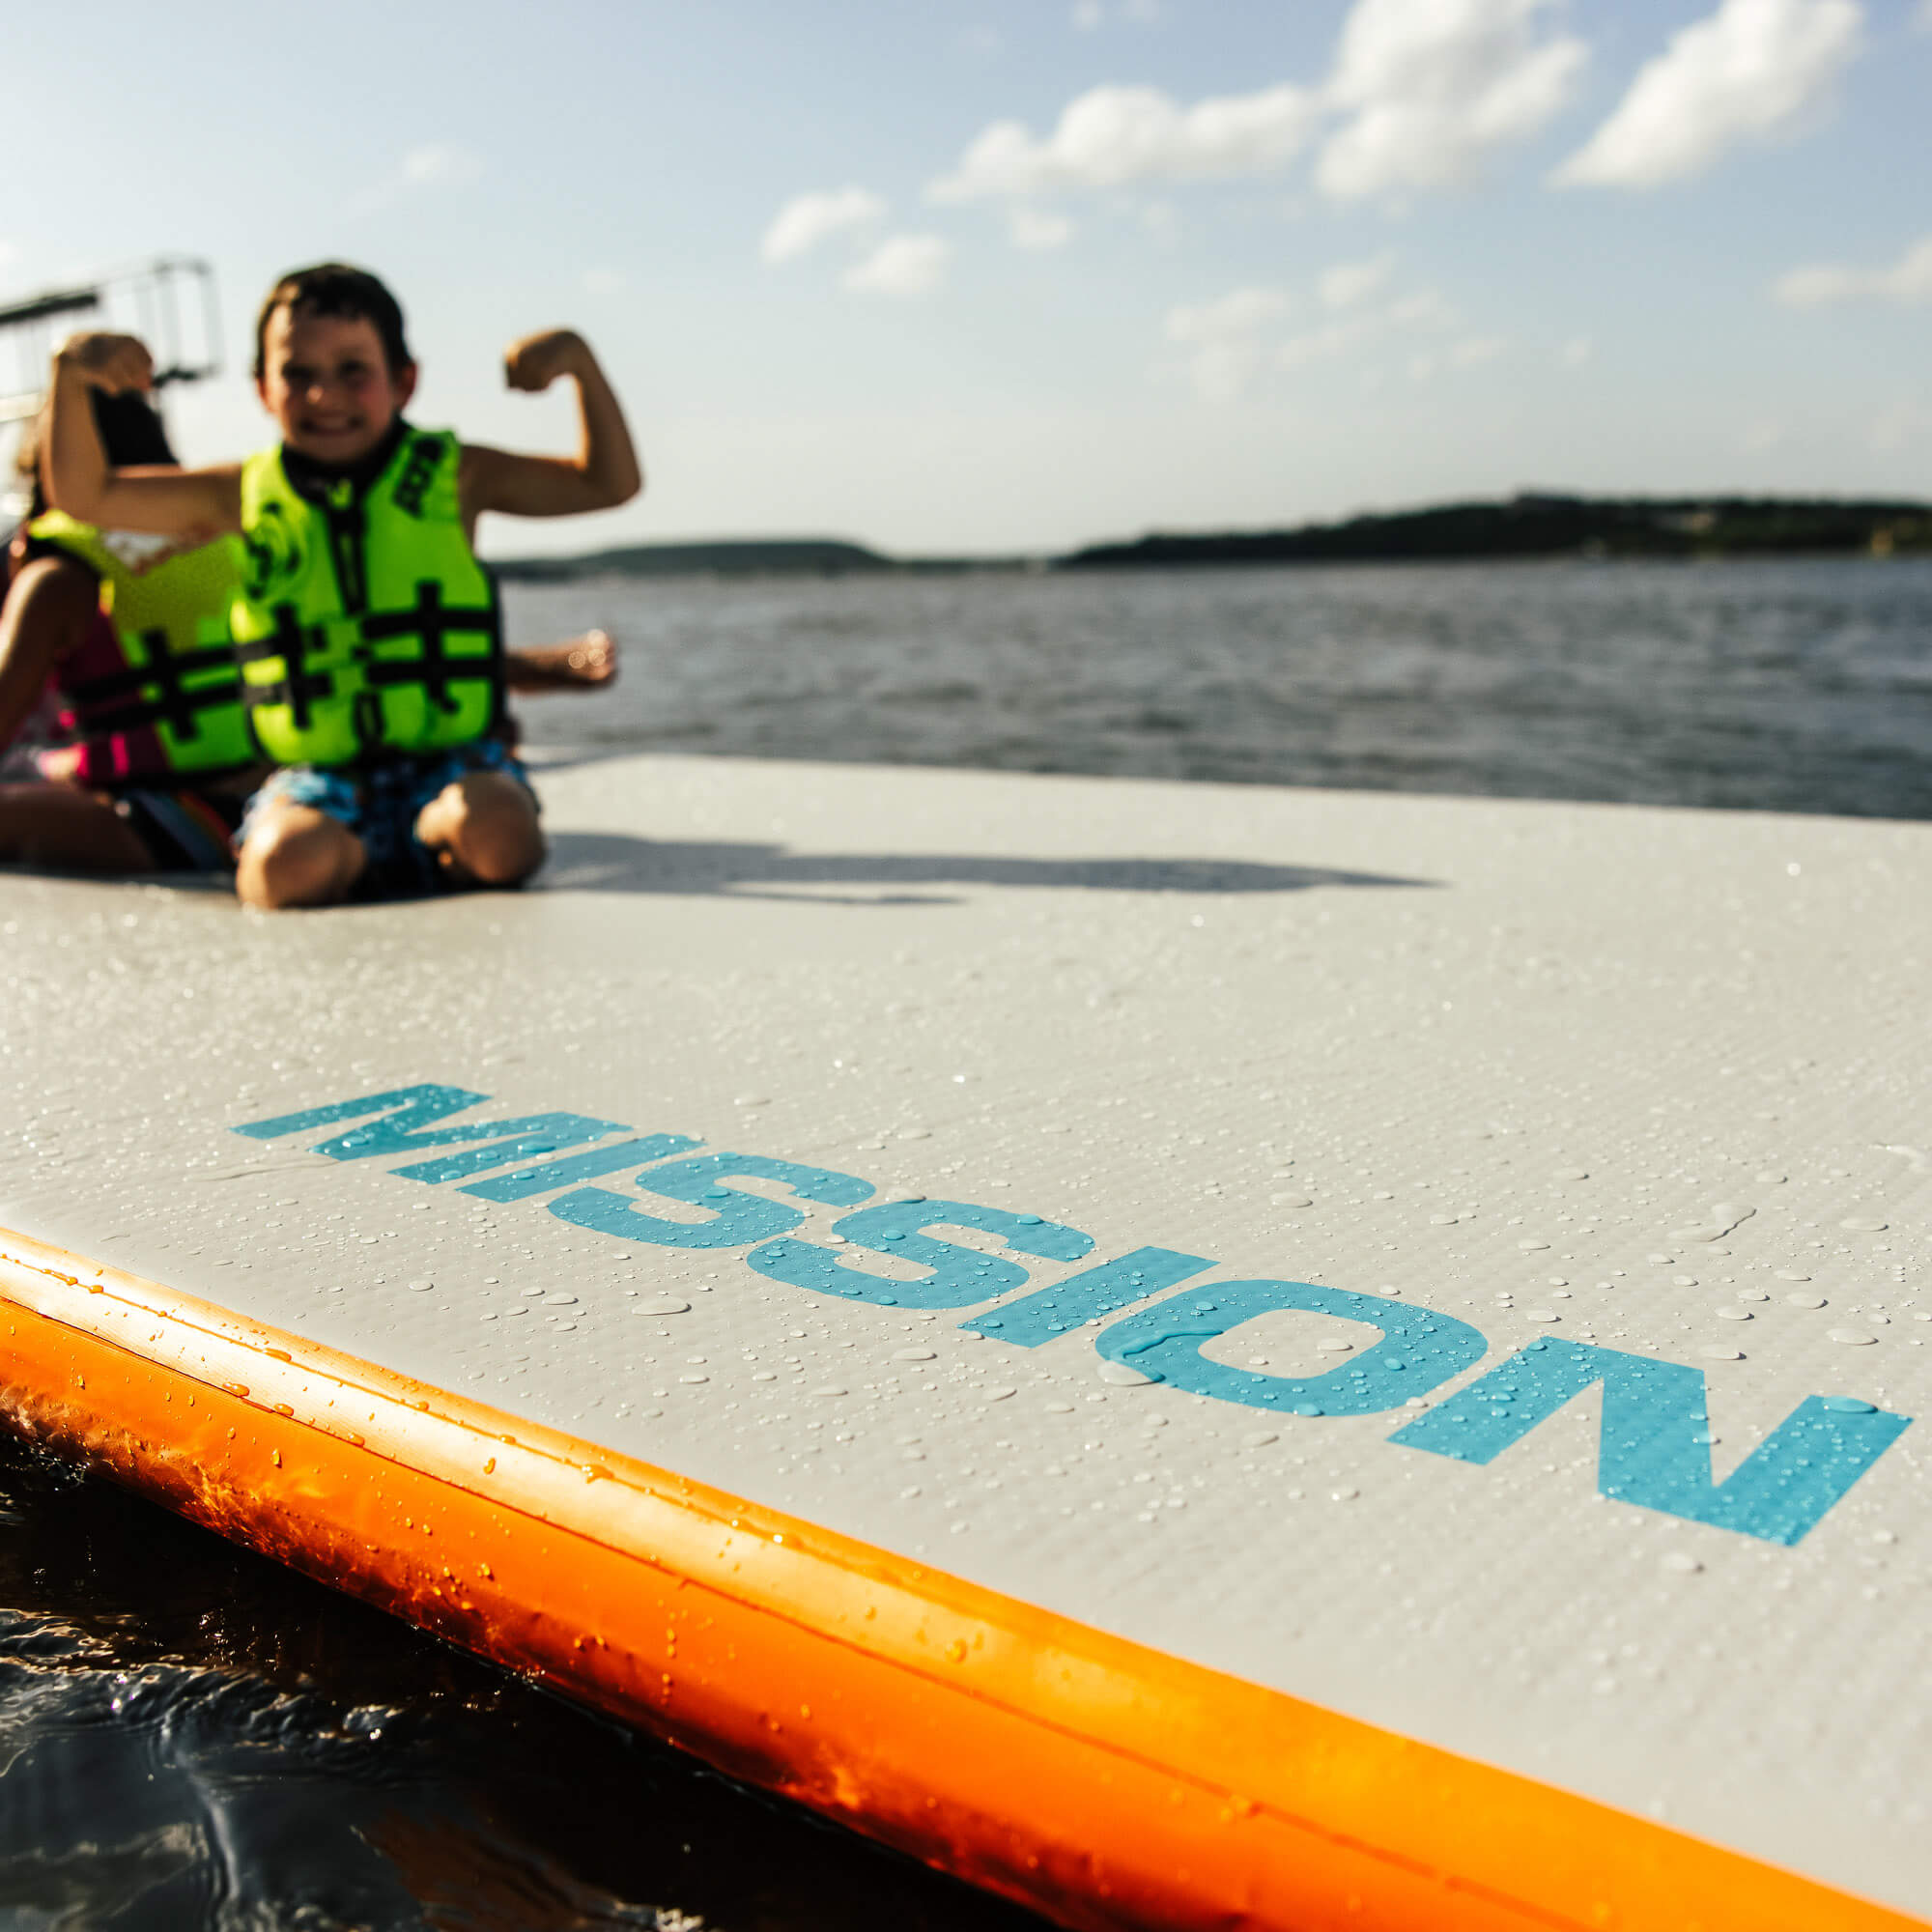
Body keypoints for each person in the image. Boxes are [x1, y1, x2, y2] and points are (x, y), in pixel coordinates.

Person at [42, 262, 639, 906]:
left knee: (498, 829)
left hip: (453, 767)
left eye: (353, 370)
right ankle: (375, 857)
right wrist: (71, 379)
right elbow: (86, 495)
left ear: (404, 380)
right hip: (317, 778)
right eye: (298, 375)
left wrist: (579, 363)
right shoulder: (236, 497)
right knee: (280, 868)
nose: (325, 396)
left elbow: (606, 482)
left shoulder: (459, 475)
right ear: (263, 390)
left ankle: (425, 838)